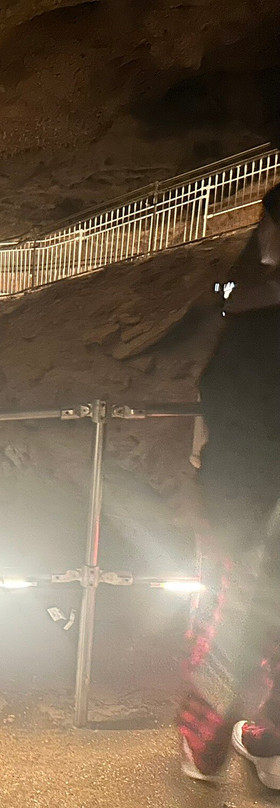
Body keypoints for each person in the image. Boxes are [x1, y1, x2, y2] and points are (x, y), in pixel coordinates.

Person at [179, 183, 280, 790]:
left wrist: (195, 481)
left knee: (226, 619)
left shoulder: (254, 327)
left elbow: (220, 406)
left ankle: (206, 748)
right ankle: (271, 747)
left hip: (245, 502)